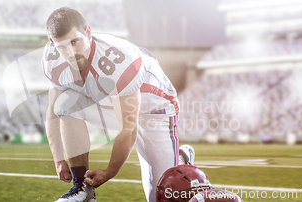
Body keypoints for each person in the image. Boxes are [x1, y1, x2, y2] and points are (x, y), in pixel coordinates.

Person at [43, 7, 192, 202]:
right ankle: (82, 189)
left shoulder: (119, 59)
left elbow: (129, 127)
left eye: (74, 42)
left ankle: (179, 159)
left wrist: (109, 172)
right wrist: (58, 159)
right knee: (65, 103)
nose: (70, 52)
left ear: (88, 32)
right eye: (62, 47)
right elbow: (53, 113)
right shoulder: (51, 59)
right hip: (112, 104)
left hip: (155, 111)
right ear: (53, 45)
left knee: (159, 196)